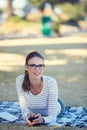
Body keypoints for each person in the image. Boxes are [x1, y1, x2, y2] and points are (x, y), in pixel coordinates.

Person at [16, 51, 65, 126]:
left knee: (55, 99)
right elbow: (24, 111)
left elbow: (52, 117)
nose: (37, 69)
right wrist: (27, 116)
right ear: (26, 67)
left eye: (40, 65)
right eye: (32, 65)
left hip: (58, 105)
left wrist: (42, 120)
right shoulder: (20, 80)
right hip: (35, 107)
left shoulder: (51, 82)